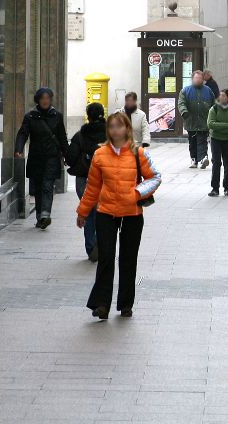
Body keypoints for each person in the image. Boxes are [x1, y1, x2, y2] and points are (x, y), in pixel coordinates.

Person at [77, 112, 162, 319]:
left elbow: (155, 177)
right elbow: (93, 186)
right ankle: (102, 304)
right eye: (112, 126)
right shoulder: (100, 154)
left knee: (128, 258)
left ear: (127, 129)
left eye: (119, 126)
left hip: (132, 212)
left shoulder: (138, 153)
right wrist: (83, 211)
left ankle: (125, 304)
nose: (115, 130)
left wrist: (136, 193)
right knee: (105, 258)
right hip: (106, 212)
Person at [14, 87, 69, 229]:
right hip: (36, 157)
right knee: (37, 187)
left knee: (47, 185)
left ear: (50, 100)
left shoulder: (57, 116)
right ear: (38, 100)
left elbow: (62, 137)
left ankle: (45, 214)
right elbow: (22, 134)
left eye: (48, 98)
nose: (45, 101)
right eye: (42, 98)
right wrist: (19, 149)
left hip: (51, 156)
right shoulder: (30, 116)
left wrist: (67, 155)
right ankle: (40, 216)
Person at [67, 102, 108, 261]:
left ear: (88, 116)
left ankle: (91, 247)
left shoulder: (80, 135)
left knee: (88, 212)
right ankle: (102, 243)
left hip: (84, 177)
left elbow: (70, 158)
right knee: (104, 213)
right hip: (106, 178)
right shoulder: (110, 134)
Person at [177, 71, 216, 169]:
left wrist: (214, 116)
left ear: (203, 79)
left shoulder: (208, 90)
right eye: (196, 78)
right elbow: (181, 103)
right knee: (192, 141)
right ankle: (194, 159)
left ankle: (203, 158)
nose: (198, 80)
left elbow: (213, 104)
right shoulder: (185, 91)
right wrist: (184, 112)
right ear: (192, 79)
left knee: (202, 140)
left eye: (200, 78)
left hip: (204, 121)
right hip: (191, 121)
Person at [207, 89, 228, 197]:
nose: (221, 97)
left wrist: (220, 126)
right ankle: (215, 188)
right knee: (216, 163)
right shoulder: (214, 108)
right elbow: (211, 124)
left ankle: (227, 188)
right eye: (220, 95)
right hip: (216, 139)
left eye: (223, 95)